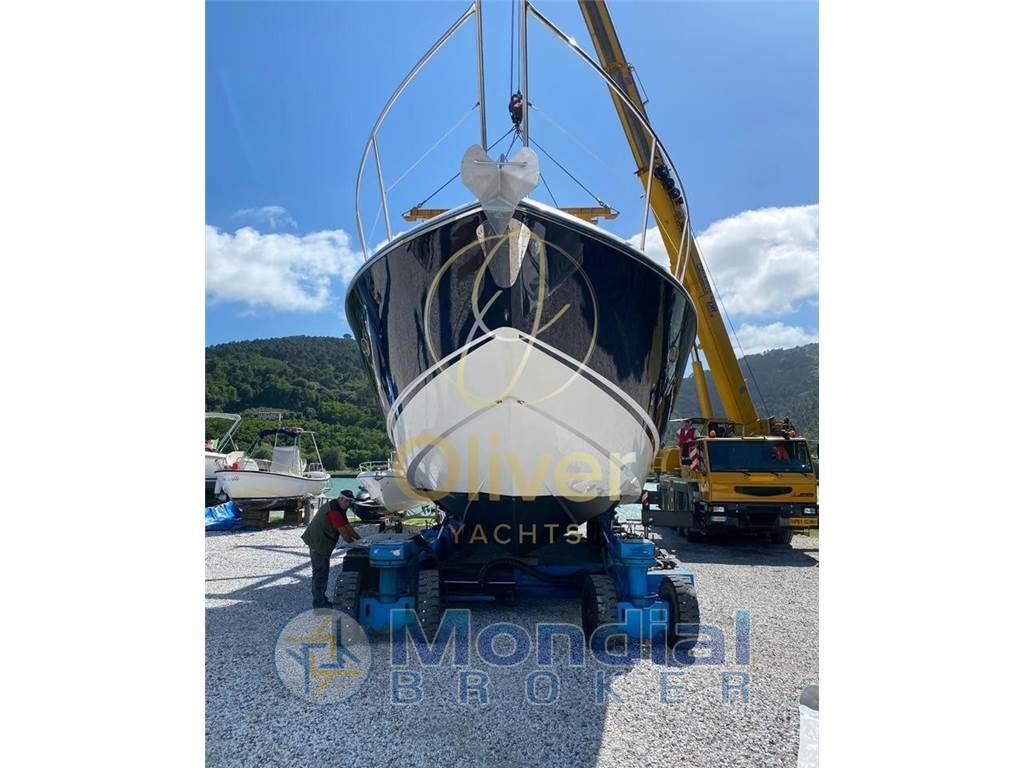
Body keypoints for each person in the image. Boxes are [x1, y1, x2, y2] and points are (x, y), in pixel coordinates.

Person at [301, 490, 360, 610]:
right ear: (341, 499)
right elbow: (345, 535)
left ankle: (320, 600)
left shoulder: (337, 506)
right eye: (347, 501)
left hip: (320, 542)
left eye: (350, 502)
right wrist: (358, 545)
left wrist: (360, 540)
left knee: (321, 573)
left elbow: (347, 525)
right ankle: (319, 604)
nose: (348, 504)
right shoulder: (334, 512)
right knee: (320, 575)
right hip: (319, 544)